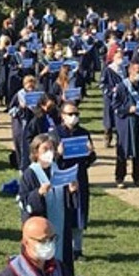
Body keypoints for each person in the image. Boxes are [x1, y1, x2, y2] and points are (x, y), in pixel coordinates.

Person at [17, 133, 79, 276]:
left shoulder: (58, 170)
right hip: (42, 227)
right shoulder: (30, 174)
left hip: (61, 225)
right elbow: (24, 202)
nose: (49, 152)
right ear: (36, 153)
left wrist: (71, 191)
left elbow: (68, 201)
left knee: (62, 258)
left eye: (51, 149)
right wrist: (38, 193)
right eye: (45, 149)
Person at [54, 103, 97, 261]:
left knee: (80, 213)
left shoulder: (83, 133)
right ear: (63, 116)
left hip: (80, 177)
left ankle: (77, 250)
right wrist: (58, 154)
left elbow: (89, 160)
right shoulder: (55, 134)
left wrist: (91, 153)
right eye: (70, 114)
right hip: (62, 179)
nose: (74, 117)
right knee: (64, 214)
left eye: (76, 114)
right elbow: (49, 162)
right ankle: (63, 249)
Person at [110, 63, 139, 188]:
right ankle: (119, 177)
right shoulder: (122, 87)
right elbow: (115, 106)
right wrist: (127, 109)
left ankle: (138, 177)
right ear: (131, 72)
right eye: (138, 71)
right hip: (125, 123)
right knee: (123, 151)